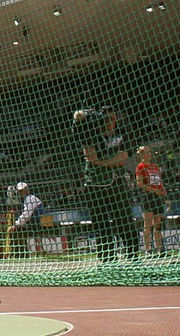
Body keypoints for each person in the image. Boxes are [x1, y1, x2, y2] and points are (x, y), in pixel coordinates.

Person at [72, 107, 139, 263]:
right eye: (106, 119)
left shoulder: (123, 134)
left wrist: (100, 162)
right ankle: (107, 259)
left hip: (117, 182)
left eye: (113, 119)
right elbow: (90, 155)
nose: (110, 122)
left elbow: (121, 158)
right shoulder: (90, 135)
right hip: (95, 184)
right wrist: (106, 162)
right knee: (101, 224)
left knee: (124, 221)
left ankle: (133, 257)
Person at [134, 146, 167, 256]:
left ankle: (159, 249)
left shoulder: (155, 166)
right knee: (147, 224)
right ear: (141, 155)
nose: (149, 154)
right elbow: (139, 183)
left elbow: (160, 181)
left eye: (149, 152)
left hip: (158, 197)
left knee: (157, 224)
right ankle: (148, 249)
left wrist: (163, 193)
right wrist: (153, 190)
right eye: (146, 153)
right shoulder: (140, 166)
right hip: (147, 196)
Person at [5, 182, 46, 257]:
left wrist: (16, 224)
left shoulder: (30, 198)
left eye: (23, 190)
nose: (21, 192)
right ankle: (20, 253)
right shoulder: (28, 198)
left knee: (15, 230)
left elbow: (27, 215)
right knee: (18, 229)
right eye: (20, 191)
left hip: (36, 225)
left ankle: (20, 253)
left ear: (27, 189)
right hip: (35, 224)